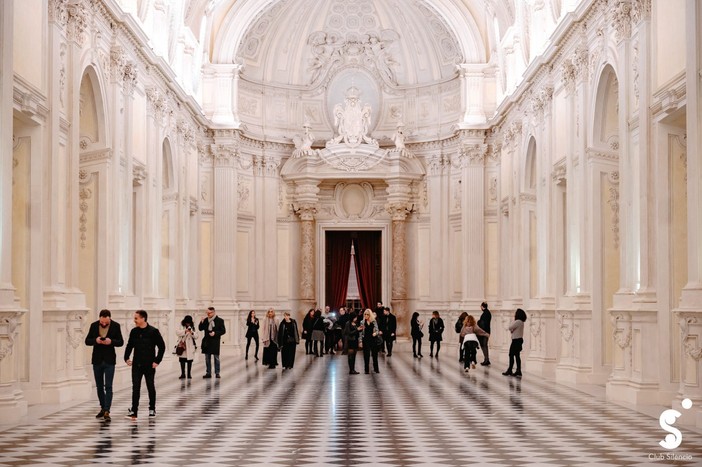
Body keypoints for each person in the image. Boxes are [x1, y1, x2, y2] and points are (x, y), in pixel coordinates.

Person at [124, 310, 165, 420]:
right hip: (136, 364)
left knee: (150, 386)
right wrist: (126, 358)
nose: (135, 320)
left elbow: (162, 346)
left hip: (149, 364)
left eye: (136, 318)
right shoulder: (134, 331)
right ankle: (134, 411)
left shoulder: (153, 331)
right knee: (135, 388)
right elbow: (129, 345)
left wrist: (157, 361)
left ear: (143, 319)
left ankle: (152, 409)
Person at [85, 309, 124, 421]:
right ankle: (103, 407)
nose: (103, 324)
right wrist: (96, 340)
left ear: (109, 319)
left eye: (105, 322)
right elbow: (87, 341)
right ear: (99, 318)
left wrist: (110, 341)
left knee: (108, 386)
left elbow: (121, 342)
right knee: (99, 386)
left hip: (109, 360)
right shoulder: (93, 326)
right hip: (97, 360)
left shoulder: (115, 326)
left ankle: (107, 410)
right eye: (101, 322)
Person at [198, 306, 226, 378]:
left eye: (209, 313)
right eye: (207, 313)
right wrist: (201, 322)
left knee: (216, 358)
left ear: (213, 312)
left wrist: (215, 333)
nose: (208, 314)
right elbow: (200, 329)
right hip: (207, 341)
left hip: (215, 341)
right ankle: (208, 373)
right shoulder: (205, 320)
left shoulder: (220, 320)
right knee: (207, 358)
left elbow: (223, 331)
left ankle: (217, 373)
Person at [503, 308, 527, 378]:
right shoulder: (521, 322)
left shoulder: (518, 321)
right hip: (518, 340)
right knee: (517, 355)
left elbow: (510, 327)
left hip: (516, 340)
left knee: (511, 354)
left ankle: (510, 369)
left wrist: (512, 325)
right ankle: (518, 370)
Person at [176, 315, 198, 379]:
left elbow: (196, 336)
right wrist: (185, 331)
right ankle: (183, 374)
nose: (188, 324)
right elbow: (177, 332)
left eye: (189, 322)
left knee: (189, 361)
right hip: (182, 345)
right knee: (182, 360)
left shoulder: (193, 327)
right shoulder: (181, 326)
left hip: (190, 346)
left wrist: (192, 332)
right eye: (187, 322)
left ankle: (189, 374)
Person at [361, 309, 380, 374]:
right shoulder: (362, 322)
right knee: (366, 355)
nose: (366, 315)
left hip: (373, 339)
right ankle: (366, 370)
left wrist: (375, 333)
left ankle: (376, 369)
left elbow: (377, 330)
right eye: (365, 314)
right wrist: (360, 341)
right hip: (365, 340)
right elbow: (361, 333)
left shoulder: (374, 321)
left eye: (367, 314)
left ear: (370, 315)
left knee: (375, 355)